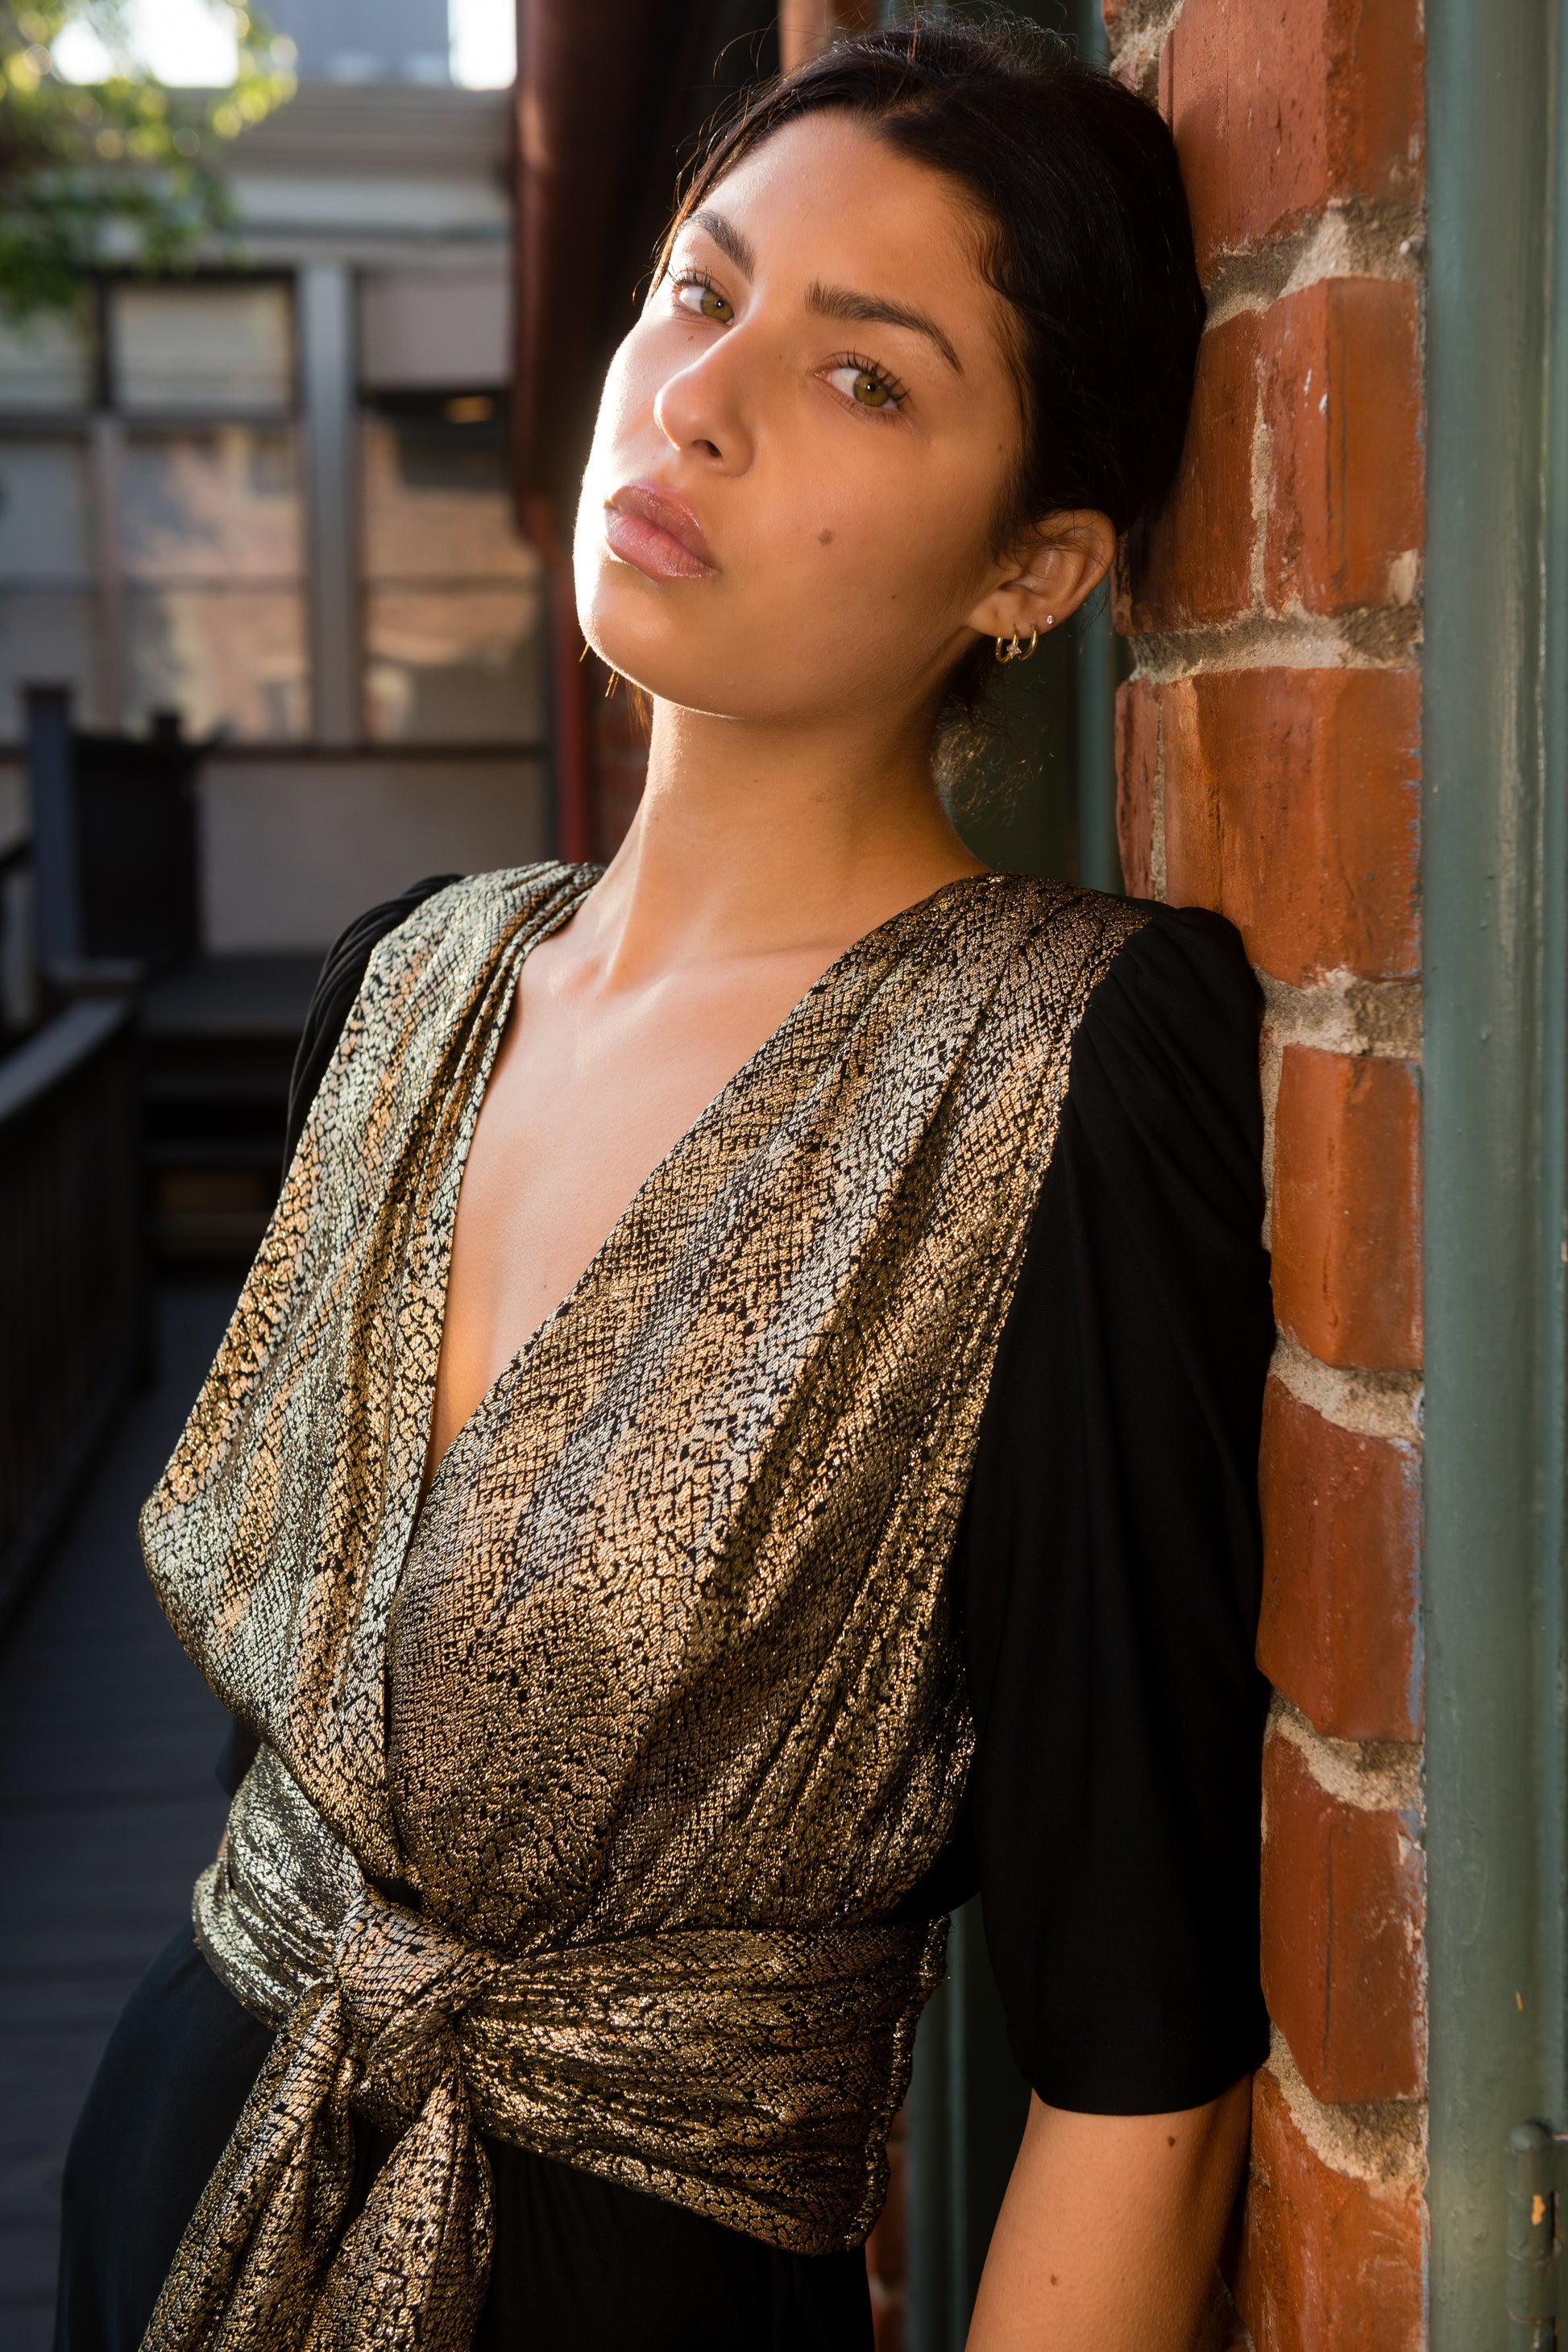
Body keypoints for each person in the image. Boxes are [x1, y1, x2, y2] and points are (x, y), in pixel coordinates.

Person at [55, 18, 1275, 2352]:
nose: (696, 398)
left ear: (1037, 564)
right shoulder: (405, 983)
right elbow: (305, 1768)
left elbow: (1143, 2071)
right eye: (699, 293)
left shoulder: (1060, 1074)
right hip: (165, 2187)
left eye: (865, 378)